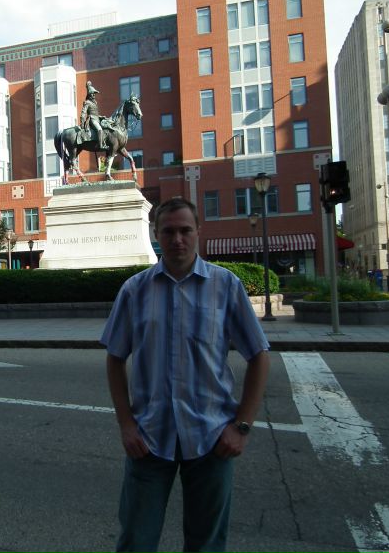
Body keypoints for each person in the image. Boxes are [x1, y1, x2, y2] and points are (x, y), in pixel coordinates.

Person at [101, 196, 270, 553]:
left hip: (212, 438)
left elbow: (259, 355)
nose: (177, 239)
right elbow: (115, 358)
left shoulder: (226, 286)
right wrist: (126, 424)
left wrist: (241, 426)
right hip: (149, 439)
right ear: (155, 234)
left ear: (198, 232)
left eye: (185, 230)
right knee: (136, 541)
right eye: (168, 231)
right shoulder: (135, 290)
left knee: (206, 544)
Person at [80, 80, 107, 149]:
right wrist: (82, 124)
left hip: (97, 119)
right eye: (92, 93)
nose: (94, 95)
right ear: (89, 94)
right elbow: (83, 113)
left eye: (94, 93)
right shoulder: (87, 102)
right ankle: (100, 145)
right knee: (99, 129)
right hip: (92, 119)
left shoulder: (95, 103)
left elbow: (95, 114)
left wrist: (101, 117)